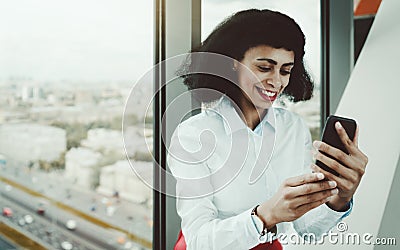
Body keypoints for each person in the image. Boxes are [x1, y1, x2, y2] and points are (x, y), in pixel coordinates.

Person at [167, 9, 368, 250]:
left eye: (285, 70)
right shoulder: (193, 134)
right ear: (232, 64)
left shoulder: (293, 128)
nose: (276, 81)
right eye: (264, 68)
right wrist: (265, 216)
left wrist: (340, 198)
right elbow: (199, 240)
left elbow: (308, 230)